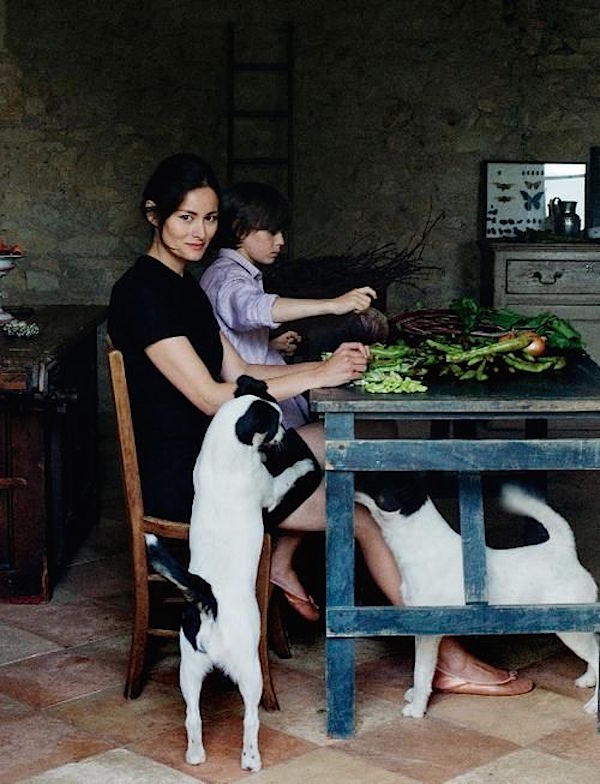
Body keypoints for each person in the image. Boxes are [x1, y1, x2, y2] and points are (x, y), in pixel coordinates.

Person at [108, 152, 533, 699]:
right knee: (365, 515)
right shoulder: (141, 294)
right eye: (186, 217)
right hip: (199, 480)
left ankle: (438, 589)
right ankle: (449, 657)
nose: (201, 231)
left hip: (234, 457)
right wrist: (320, 373)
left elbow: (240, 371)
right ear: (154, 215)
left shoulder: (185, 289)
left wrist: (325, 370)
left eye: (210, 218)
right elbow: (213, 397)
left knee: (356, 446)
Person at [200, 181, 377, 621]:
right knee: (363, 439)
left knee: (360, 441)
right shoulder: (225, 276)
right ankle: (342, 575)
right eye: (271, 231)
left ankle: (287, 557)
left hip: (269, 420)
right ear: (240, 230)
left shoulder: (238, 274)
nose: (281, 242)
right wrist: (334, 305)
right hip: (256, 440)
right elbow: (252, 308)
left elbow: (244, 329)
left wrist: (272, 344)